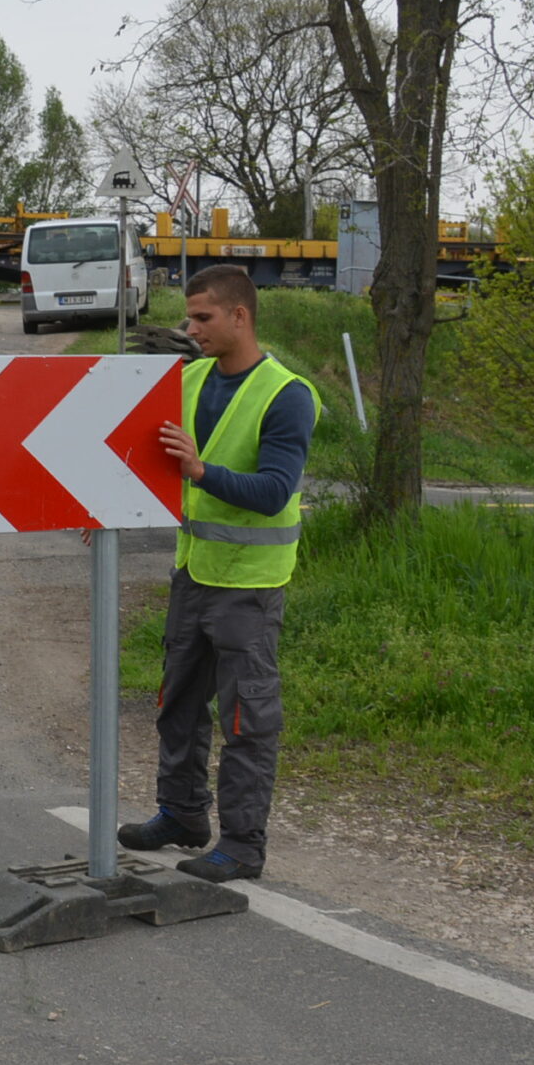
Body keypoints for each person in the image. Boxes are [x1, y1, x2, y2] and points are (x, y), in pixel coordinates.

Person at [117, 265, 319, 884]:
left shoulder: (287, 394)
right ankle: (181, 815)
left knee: (245, 719)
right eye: (189, 316)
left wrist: (202, 473)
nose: (191, 328)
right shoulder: (192, 378)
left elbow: (274, 490)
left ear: (241, 316)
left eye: (203, 317)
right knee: (177, 704)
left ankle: (242, 845)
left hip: (250, 586)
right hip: (194, 573)